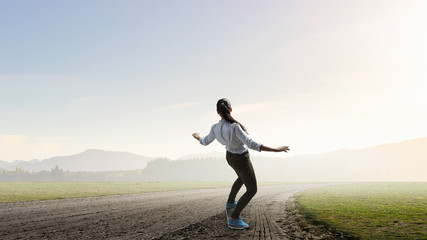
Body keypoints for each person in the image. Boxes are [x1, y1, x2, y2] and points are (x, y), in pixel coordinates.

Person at [192, 98, 290, 230]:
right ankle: (233, 218)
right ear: (230, 110)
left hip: (230, 157)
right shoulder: (234, 126)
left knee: (241, 178)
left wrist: (197, 136)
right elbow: (251, 144)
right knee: (252, 190)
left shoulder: (215, 128)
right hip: (241, 159)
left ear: (217, 112)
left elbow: (204, 141)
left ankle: (230, 203)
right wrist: (275, 149)